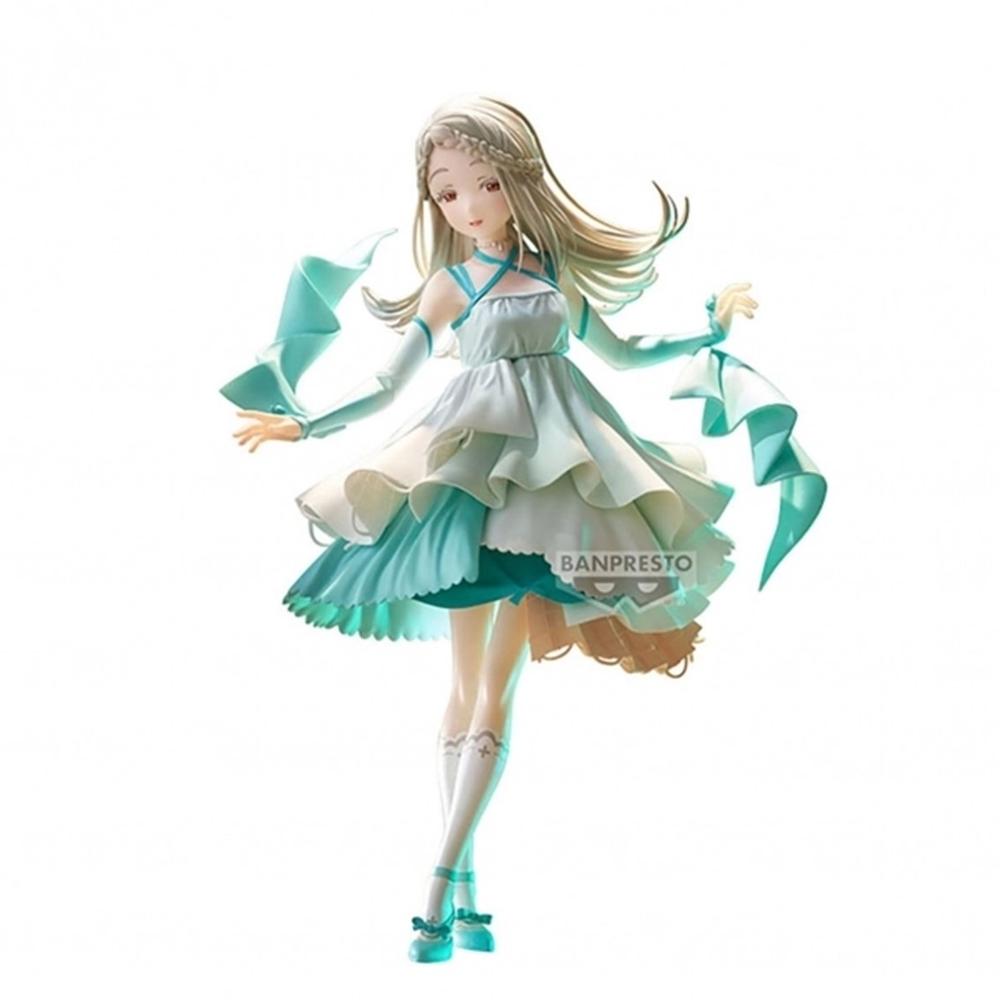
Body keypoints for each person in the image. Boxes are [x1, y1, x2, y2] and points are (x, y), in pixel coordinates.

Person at [222, 95, 827, 962]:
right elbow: (389, 384)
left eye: (485, 184)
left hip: (559, 487)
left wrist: (706, 328)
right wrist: (307, 422)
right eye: (448, 193)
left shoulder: (552, 270)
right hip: (470, 479)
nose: (468, 205)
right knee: (466, 691)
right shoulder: (451, 285)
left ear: (519, 182)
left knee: (492, 692)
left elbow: (624, 352)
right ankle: (458, 892)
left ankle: (441, 891)